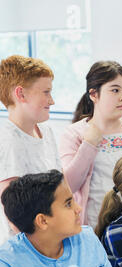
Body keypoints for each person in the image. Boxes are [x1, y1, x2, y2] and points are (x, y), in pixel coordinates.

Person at [0, 170, 121, 267]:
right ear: (43, 221)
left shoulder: (87, 239)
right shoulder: (7, 264)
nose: (78, 209)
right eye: (68, 204)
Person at [59, 61, 122, 229]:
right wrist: (89, 144)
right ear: (94, 94)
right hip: (94, 226)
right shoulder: (74, 133)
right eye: (115, 90)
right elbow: (69, 186)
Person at [0, 55, 61, 246]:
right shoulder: (7, 139)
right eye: (46, 92)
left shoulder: (46, 132)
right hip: (27, 246)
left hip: (52, 234)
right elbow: (14, 213)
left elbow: (60, 184)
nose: (51, 101)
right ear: (20, 94)